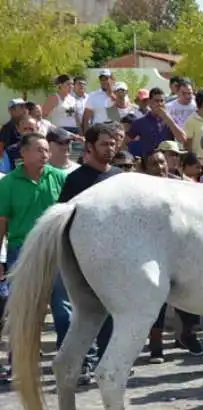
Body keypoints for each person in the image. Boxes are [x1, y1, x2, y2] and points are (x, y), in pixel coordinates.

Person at [0, 132, 95, 385]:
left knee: (64, 310)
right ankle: (19, 365)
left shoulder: (62, 179)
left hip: (58, 251)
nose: (45, 154)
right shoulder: (8, 183)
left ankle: (72, 361)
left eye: (46, 150)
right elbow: (2, 224)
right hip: (22, 252)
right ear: (23, 153)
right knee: (26, 311)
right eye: (39, 150)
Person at [58, 123, 123, 364]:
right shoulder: (75, 180)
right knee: (85, 313)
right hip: (86, 258)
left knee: (114, 312)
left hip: (118, 257)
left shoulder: (119, 177)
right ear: (89, 146)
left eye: (113, 143)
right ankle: (85, 361)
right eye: (104, 144)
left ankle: (109, 359)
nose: (110, 148)